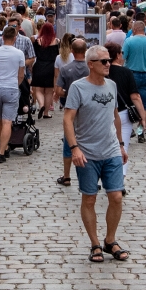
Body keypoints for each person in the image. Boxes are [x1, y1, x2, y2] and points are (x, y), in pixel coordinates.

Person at [64, 46, 129, 263]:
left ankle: (110, 240)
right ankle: (94, 243)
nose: (108, 64)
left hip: (110, 150)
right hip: (87, 153)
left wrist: (121, 144)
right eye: (103, 61)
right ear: (90, 64)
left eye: (109, 60)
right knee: (89, 198)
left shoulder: (111, 85)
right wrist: (74, 148)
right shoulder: (78, 88)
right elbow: (67, 119)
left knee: (116, 197)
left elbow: (115, 116)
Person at [107, 42, 146, 189]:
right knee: (123, 147)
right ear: (117, 55)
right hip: (123, 114)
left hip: (104, 114)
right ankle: (119, 182)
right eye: (121, 53)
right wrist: (142, 116)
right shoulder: (126, 72)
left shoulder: (102, 72)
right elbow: (135, 96)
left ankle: (106, 177)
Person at [0, 27, 26, 163]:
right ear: (15, 38)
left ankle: (4, 146)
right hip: (11, 88)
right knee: (7, 121)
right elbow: (21, 74)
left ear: (2, 37)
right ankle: (2, 151)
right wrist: (17, 84)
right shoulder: (19, 53)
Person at [55, 39, 90, 186]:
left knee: (69, 142)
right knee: (89, 141)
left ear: (72, 51)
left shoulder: (66, 69)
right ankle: (90, 176)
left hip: (72, 108)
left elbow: (58, 91)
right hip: (89, 109)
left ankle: (67, 176)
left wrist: (68, 94)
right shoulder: (91, 68)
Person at [32, 23, 60, 118]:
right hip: (51, 67)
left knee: (38, 90)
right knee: (49, 91)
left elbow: (34, 53)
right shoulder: (57, 41)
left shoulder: (38, 41)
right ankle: (46, 113)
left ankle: (41, 105)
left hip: (39, 65)